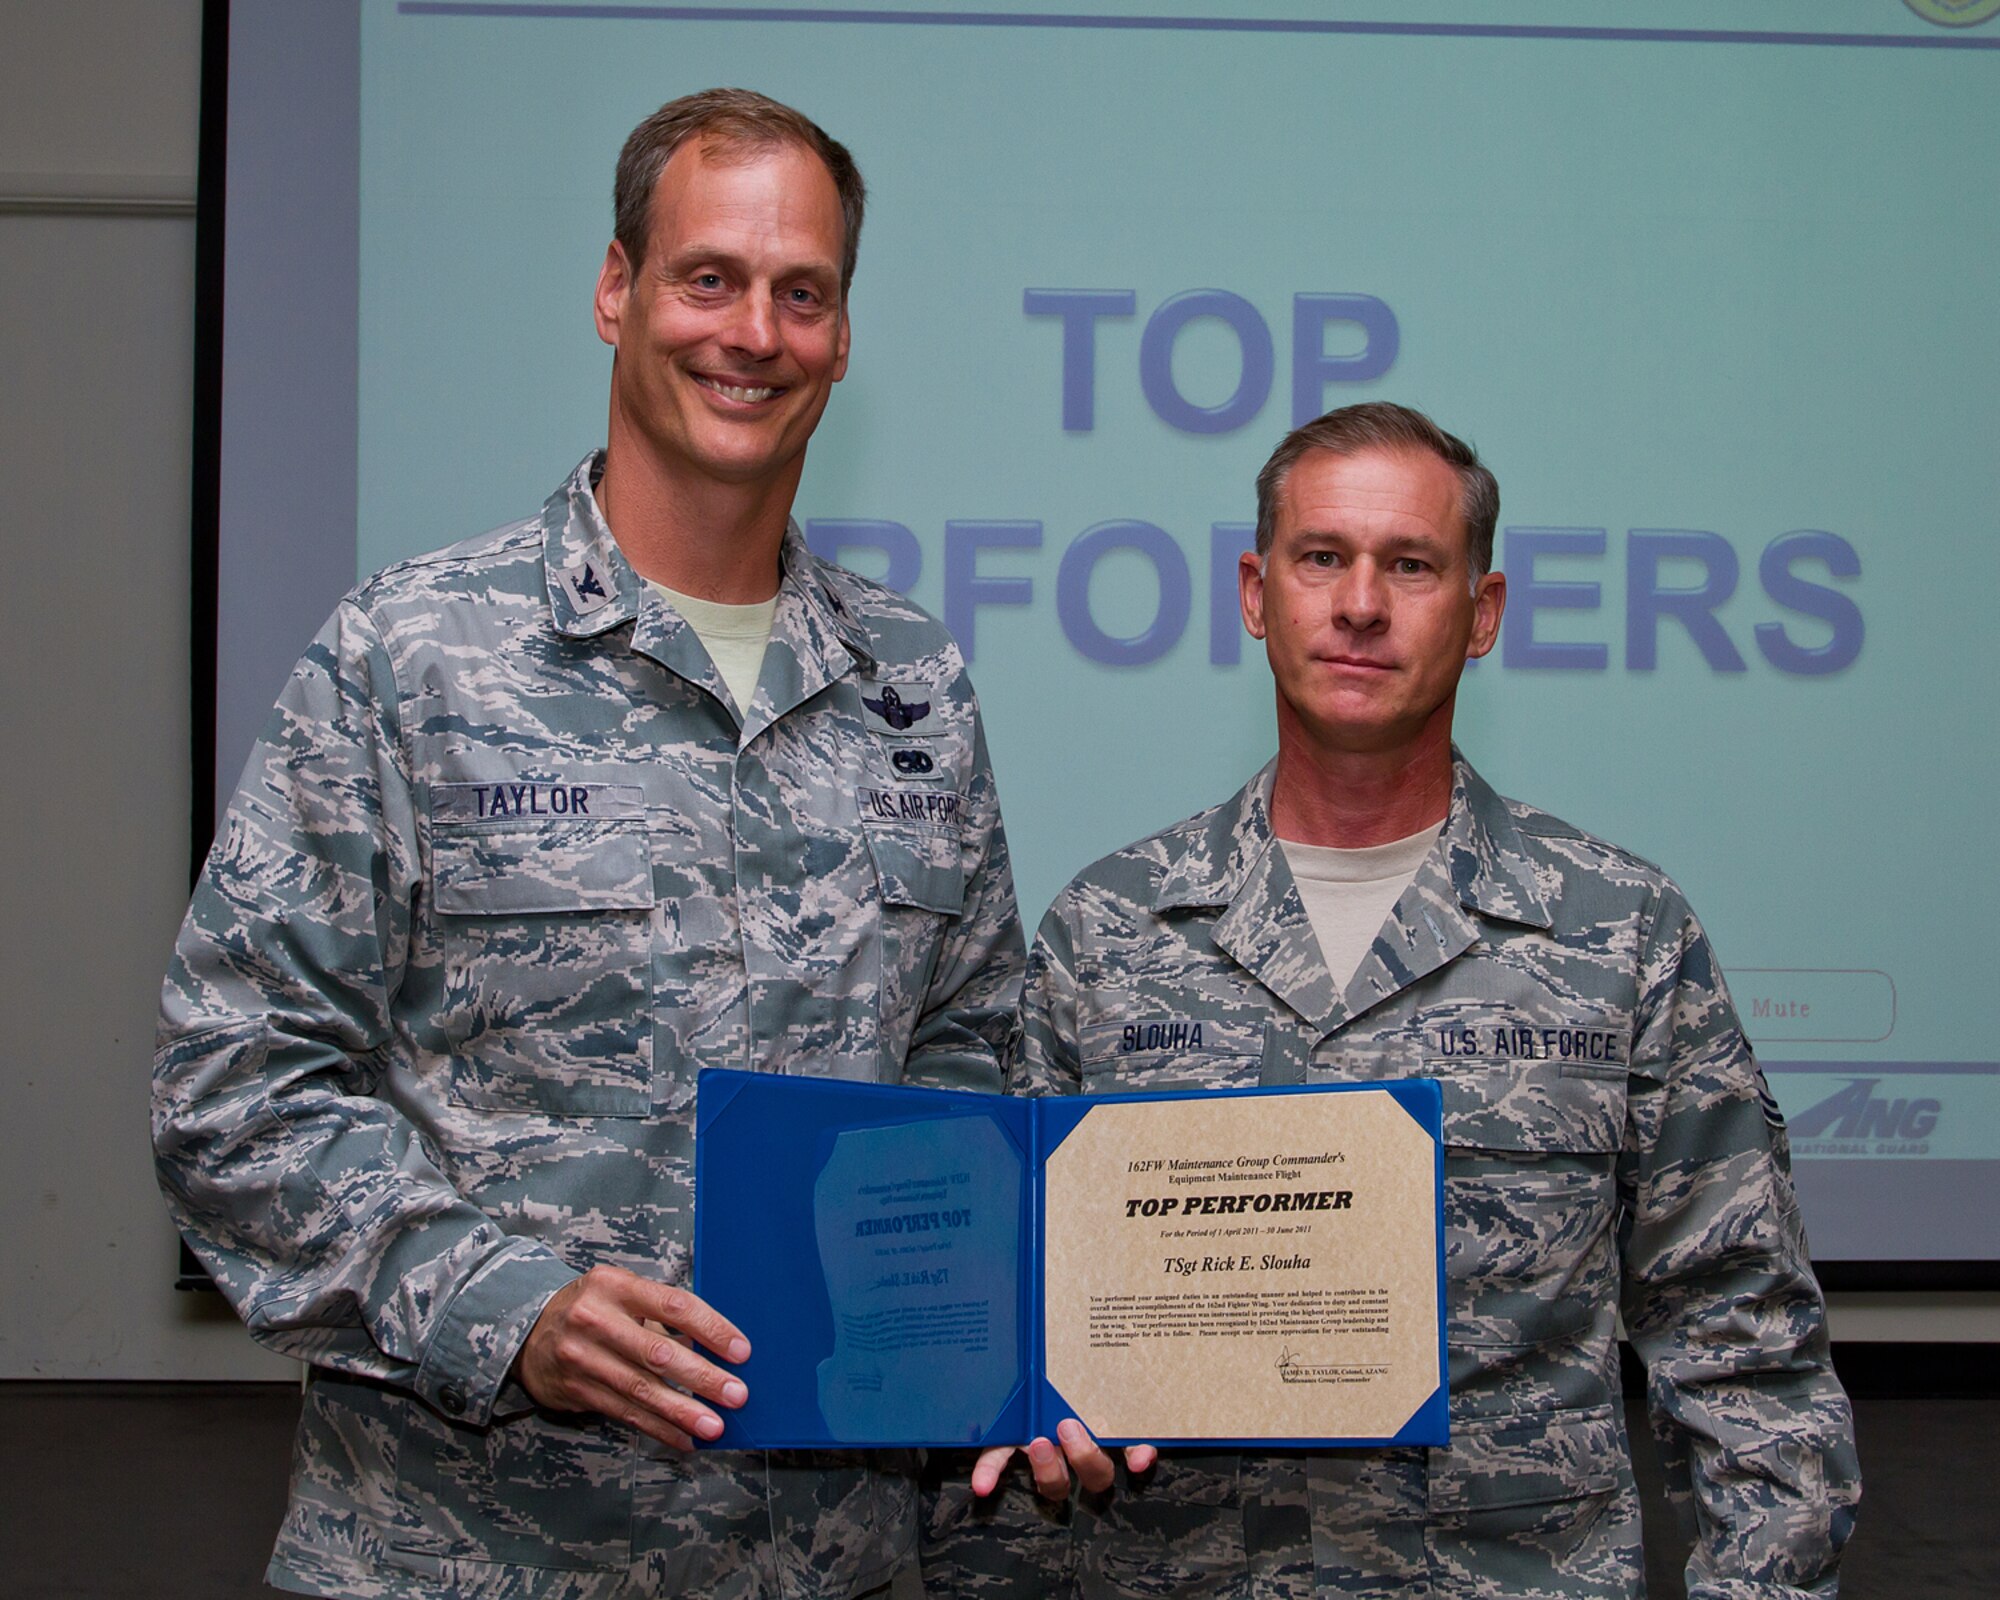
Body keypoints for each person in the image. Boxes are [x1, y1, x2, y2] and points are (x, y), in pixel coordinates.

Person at [154, 88, 1022, 1599]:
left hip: (835, 1561)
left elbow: (973, 1049)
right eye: (709, 278)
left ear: (842, 333)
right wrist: (506, 1309)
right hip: (467, 1554)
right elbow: (233, 1086)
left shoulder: (913, 681)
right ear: (616, 291)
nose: (753, 331)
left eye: (800, 293)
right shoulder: (410, 655)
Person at [929, 402, 1857, 1598]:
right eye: (1321, 558)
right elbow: (996, 1347)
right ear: (1256, 593)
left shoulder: (1618, 934)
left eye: (1409, 565)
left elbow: (1739, 1342)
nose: (1359, 604)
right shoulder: (1105, 933)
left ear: (1481, 614)